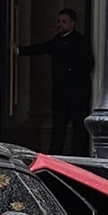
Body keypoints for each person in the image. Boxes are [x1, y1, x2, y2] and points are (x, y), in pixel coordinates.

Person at [18, 8, 95, 153]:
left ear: (72, 23)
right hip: (60, 93)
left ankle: (77, 157)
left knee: (79, 127)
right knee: (58, 126)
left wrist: (73, 75)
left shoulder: (80, 41)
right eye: (59, 21)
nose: (60, 24)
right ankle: (55, 155)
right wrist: (19, 51)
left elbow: (88, 64)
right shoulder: (57, 40)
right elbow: (43, 48)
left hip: (77, 93)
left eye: (64, 21)